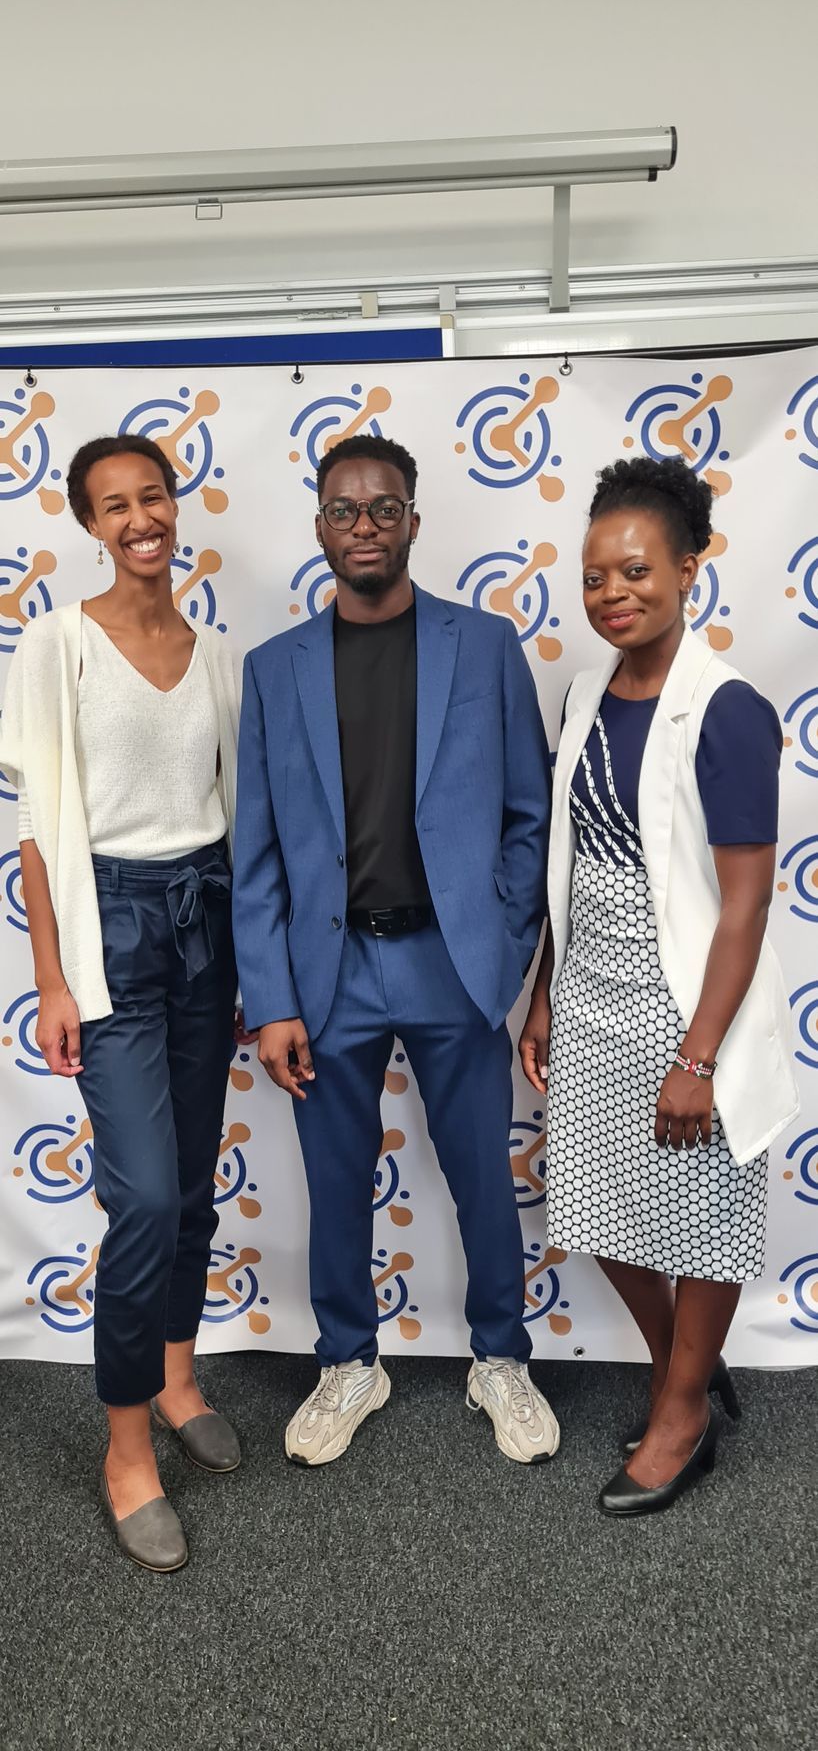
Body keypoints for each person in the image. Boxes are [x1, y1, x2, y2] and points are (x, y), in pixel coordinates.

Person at [232, 433, 559, 1466]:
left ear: (413, 519)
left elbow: (525, 813)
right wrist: (273, 996)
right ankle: (345, 1362)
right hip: (327, 976)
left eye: (382, 508)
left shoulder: (483, 645)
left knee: (478, 1174)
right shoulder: (271, 670)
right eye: (343, 509)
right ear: (319, 524)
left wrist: (503, 948)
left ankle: (499, 1358)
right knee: (335, 1181)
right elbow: (259, 850)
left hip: (452, 963)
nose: (363, 525)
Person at [520, 453, 799, 1516]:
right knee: (594, 1211)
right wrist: (542, 990)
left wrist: (697, 1056)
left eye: (634, 571)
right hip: (589, 989)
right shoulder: (584, 692)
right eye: (594, 577)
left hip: (689, 1001)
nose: (611, 594)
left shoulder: (723, 709)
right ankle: (686, 1362)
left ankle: (679, 1412)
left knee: (707, 1212)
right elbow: (570, 864)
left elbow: (742, 903)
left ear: (688, 568)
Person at [0, 435, 246, 1572]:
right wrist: (51, 976)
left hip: (209, 922)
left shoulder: (216, 656)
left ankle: (180, 1372)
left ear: (174, 505)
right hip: (111, 930)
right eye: (115, 505)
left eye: (152, 495)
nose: (140, 517)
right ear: (90, 523)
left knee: (190, 1183)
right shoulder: (55, 646)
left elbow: (227, 814)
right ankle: (126, 1445)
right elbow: (41, 834)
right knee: (142, 1196)